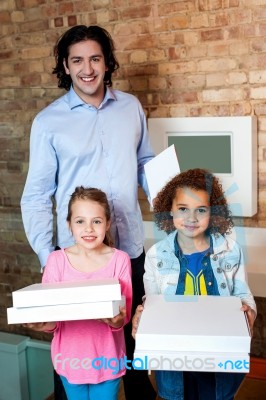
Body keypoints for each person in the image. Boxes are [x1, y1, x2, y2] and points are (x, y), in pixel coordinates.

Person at [20, 25, 156, 400]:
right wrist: (51, 259)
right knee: (77, 354)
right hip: (76, 262)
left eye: (95, 58)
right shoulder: (48, 122)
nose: (87, 69)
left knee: (135, 354)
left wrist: (172, 222)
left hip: (128, 252)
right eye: (77, 60)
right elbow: (35, 196)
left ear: (107, 62)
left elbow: (146, 164)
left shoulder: (131, 107)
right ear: (65, 66)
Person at [132, 168, 257, 400]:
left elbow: (243, 294)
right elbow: (152, 304)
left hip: (219, 359)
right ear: (169, 209)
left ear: (213, 212)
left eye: (201, 210)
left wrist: (248, 312)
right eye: (183, 209)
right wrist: (142, 318)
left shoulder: (231, 251)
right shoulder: (156, 255)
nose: (191, 218)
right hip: (174, 362)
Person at [24, 186, 132, 400]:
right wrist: (41, 324)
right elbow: (53, 321)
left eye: (97, 221)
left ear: (108, 223)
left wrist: (115, 321)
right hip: (69, 362)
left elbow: (123, 316)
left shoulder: (120, 260)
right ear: (69, 225)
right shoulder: (56, 262)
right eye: (80, 221)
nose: (89, 229)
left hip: (107, 360)